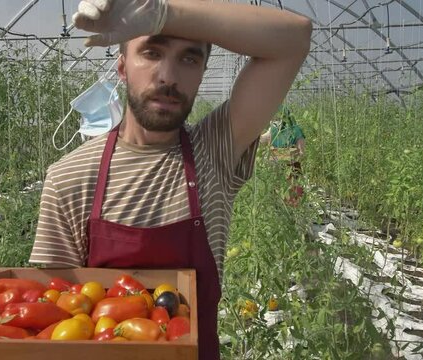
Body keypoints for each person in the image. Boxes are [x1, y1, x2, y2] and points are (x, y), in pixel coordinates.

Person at [30, 0, 311, 358]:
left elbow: (295, 38)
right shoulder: (69, 178)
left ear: (203, 71)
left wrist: (165, 12)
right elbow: (58, 315)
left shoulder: (214, 151)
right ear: (121, 66)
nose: (168, 77)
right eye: (151, 52)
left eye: (189, 58)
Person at [260, 106, 306, 206]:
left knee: (283, 191)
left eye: (275, 118)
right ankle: (285, 213)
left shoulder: (292, 130)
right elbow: (301, 152)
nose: (273, 120)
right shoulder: (276, 130)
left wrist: (280, 154)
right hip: (283, 167)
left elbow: (301, 152)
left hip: (284, 167)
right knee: (283, 192)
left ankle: (285, 213)